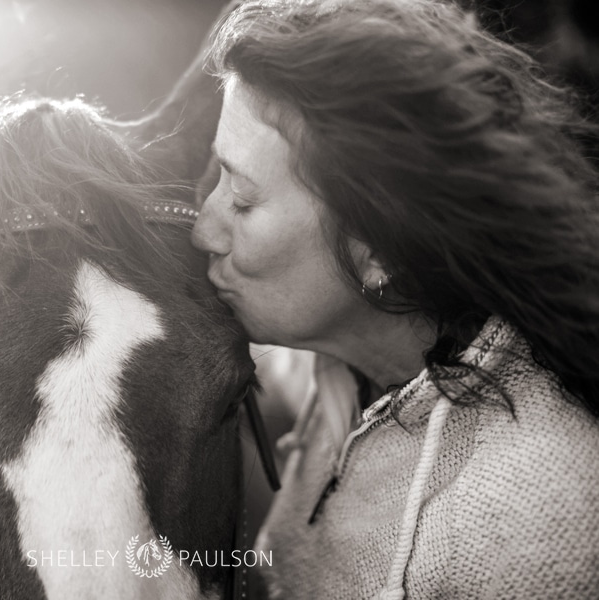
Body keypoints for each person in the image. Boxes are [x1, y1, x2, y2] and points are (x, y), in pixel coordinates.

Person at [190, 0, 599, 597]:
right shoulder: (349, 374)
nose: (203, 228)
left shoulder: (535, 519)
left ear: (381, 249)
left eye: (244, 200)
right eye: (217, 174)